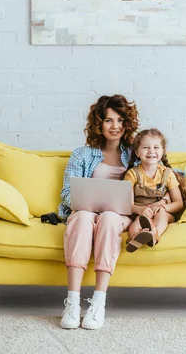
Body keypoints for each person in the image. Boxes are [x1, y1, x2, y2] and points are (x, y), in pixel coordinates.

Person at [58, 94, 140, 330]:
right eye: (108, 120)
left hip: (118, 216)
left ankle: (98, 302)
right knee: (83, 217)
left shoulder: (134, 155)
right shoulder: (82, 154)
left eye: (120, 120)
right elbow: (66, 193)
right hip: (87, 211)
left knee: (110, 218)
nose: (115, 126)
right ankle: (72, 302)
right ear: (98, 124)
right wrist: (86, 204)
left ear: (127, 123)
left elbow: (162, 172)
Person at [123, 129, 186, 252]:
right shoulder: (132, 174)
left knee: (161, 216)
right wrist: (140, 210)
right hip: (142, 214)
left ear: (162, 151)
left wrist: (164, 208)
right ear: (137, 152)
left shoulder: (167, 174)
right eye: (145, 147)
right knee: (137, 222)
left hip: (163, 212)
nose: (151, 151)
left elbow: (179, 203)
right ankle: (136, 237)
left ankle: (154, 235)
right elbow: (128, 205)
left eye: (156, 147)